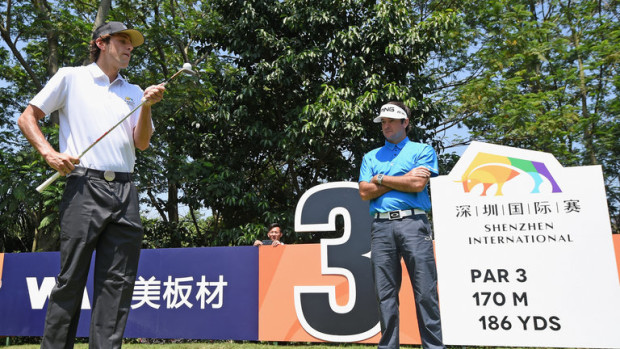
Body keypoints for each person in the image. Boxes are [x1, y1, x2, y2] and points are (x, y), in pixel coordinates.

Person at [17, 21, 166, 348]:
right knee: (71, 281)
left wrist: (146, 107)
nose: (129, 48)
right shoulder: (71, 78)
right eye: (123, 41)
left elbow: (141, 143)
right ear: (101, 42)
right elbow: (27, 116)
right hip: (85, 187)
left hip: (125, 192)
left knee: (118, 284)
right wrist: (49, 154)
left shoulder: (133, 92)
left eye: (131, 44)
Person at [358, 101, 445, 349]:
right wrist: (403, 178)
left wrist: (382, 179)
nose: (385, 126)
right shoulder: (370, 156)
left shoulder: (422, 150)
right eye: (383, 122)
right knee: (385, 294)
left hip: (413, 223)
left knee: (425, 291)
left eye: (391, 121)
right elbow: (364, 192)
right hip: (381, 228)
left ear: (405, 122)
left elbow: (418, 185)